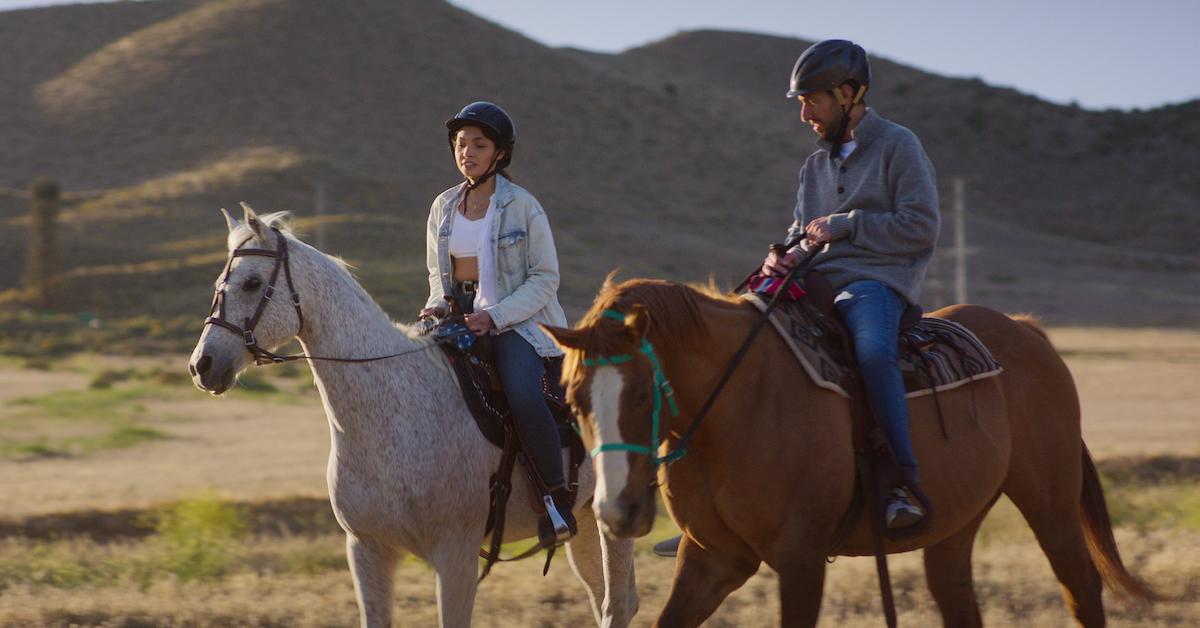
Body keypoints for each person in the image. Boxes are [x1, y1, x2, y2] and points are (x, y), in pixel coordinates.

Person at [763, 39, 940, 529]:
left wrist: (848, 224)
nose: (804, 114)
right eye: (801, 101)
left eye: (811, 100)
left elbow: (921, 226)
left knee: (873, 354)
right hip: (813, 281)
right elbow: (802, 231)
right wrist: (783, 254)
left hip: (875, 283)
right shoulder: (814, 166)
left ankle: (900, 484)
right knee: (742, 336)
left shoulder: (898, 145)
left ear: (846, 94)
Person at [420, 101, 576, 547]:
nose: (466, 152)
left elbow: (546, 278)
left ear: (501, 154)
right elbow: (438, 275)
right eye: (461, 144)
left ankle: (556, 501)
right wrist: (435, 307)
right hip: (460, 320)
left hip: (517, 323)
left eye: (479, 144)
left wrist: (496, 316)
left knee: (525, 396)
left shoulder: (524, 207)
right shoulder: (443, 207)